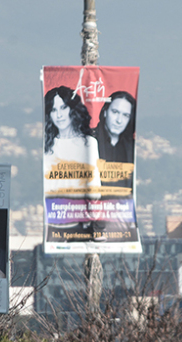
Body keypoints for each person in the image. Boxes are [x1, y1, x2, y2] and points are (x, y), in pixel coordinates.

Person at [43, 86, 101, 239]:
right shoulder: (47, 148)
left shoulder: (88, 144)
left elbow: (95, 188)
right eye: (54, 110)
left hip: (82, 223)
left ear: (72, 109)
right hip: (54, 222)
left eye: (63, 107)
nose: (59, 115)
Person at [94, 91, 136, 188]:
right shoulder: (88, 141)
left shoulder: (133, 147)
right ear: (105, 112)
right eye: (115, 112)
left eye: (125, 115)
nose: (119, 121)